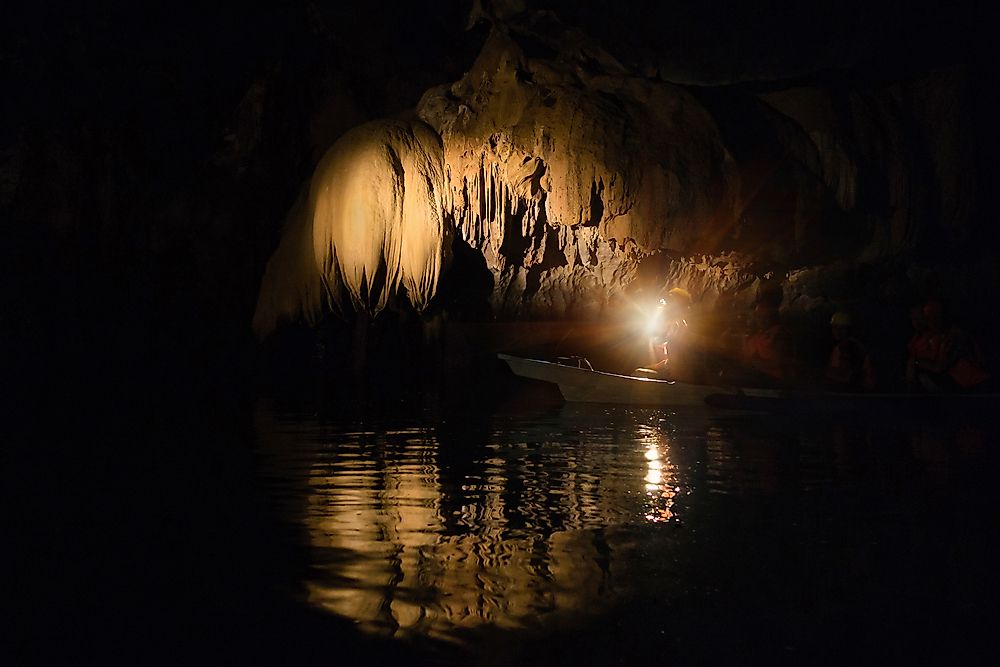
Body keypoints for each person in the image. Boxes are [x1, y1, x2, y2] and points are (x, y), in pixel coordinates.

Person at [907, 300, 991, 392]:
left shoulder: (954, 336)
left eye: (930, 317)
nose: (926, 321)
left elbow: (940, 367)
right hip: (963, 386)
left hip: (976, 387)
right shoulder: (937, 337)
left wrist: (915, 363)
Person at [741, 302, 795, 386]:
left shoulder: (780, 334)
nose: (760, 319)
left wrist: (753, 362)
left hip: (773, 381)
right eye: (758, 316)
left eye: (764, 316)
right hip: (754, 376)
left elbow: (779, 363)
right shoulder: (757, 334)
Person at [644, 287, 692, 379]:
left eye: (668, 302)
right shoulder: (675, 324)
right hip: (673, 369)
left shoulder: (680, 327)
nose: (664, 305)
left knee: (640, 374)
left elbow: (677, 358)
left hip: (678, 374)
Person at [826, 311, 875, 392]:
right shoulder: (839, 347)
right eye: (835, 327)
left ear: (848, 329)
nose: (837, 331)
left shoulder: (853, 347)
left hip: (856, 392)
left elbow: (851, 376)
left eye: (842, 328)